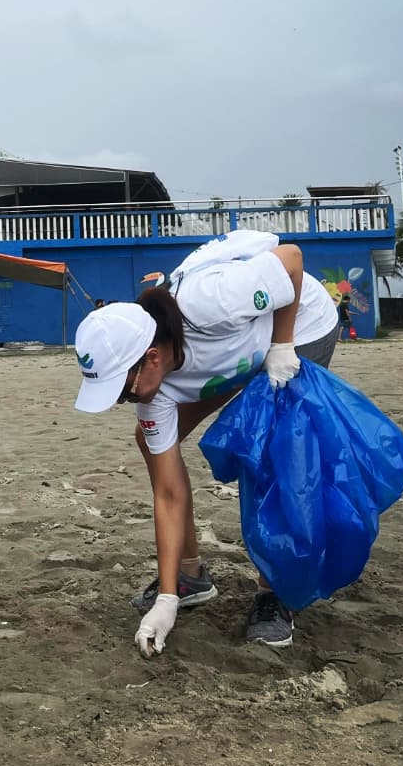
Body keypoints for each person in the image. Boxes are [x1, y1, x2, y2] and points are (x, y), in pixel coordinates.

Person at [73, 240, 339, 657]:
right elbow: (167, 491)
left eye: (122, 391)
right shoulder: (154, 387)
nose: (123, 401)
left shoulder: (211, 303)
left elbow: (292, 260)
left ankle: (273, 592)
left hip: (299, 325)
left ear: (152, 358)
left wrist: (282, 345)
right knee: (153, 440)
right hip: (234, 356)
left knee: (270, 446)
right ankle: (190, 575)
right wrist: (166, 599)